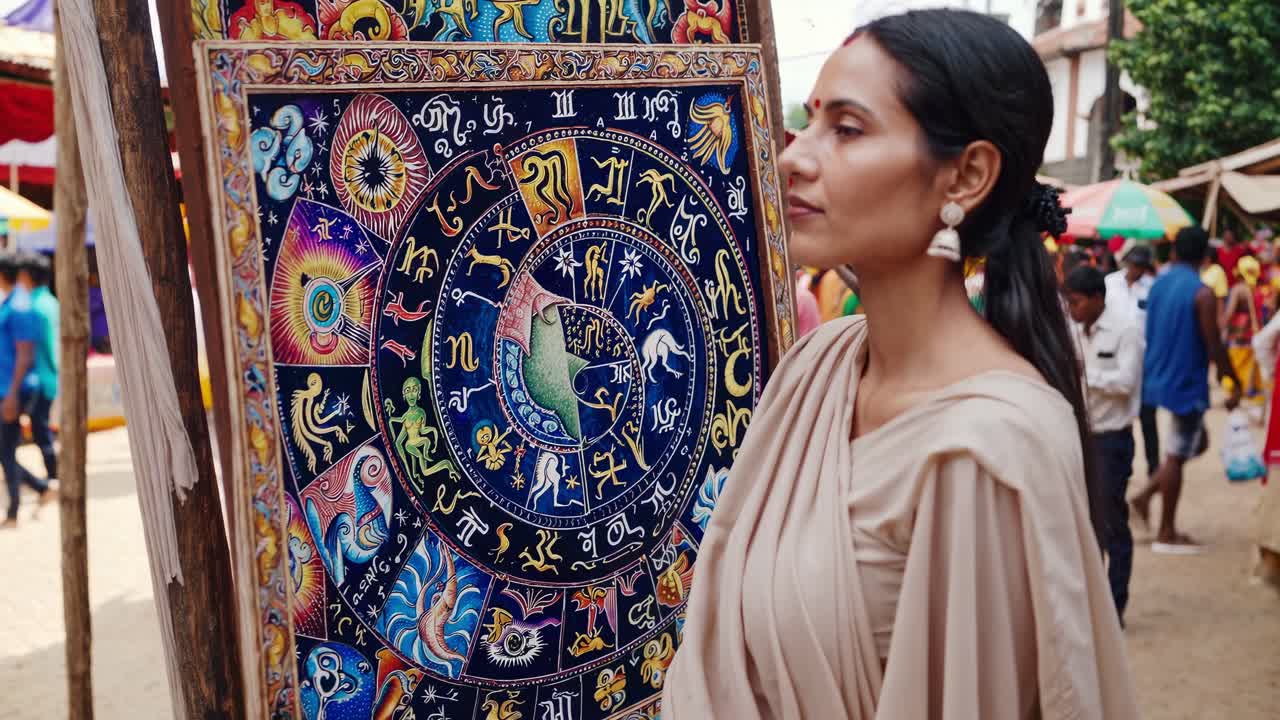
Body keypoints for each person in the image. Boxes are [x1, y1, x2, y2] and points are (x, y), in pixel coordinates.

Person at [661, 10, 1137, 718]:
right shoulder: (813, 370)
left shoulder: (987, 447)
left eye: (847, 130)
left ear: (966, 176)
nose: (794, 155)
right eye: (813, 120)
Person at [1131, 226, 1242, 554]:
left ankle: (1146, 494)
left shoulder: (1159, 284)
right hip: (1185, 381)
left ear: (1175, 252)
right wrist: (1232, 381)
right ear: (1206, 257)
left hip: (1158, 374)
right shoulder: (1202, 293)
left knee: (1196, 443)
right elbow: (1214, 345)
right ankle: (1166, 532)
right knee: (1178, 455)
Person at [1065, 266, 1144, 624]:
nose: (1072, 308)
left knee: (1112, 522)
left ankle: (1115, 607)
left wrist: (1083, 374)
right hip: (1081, 436)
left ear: (1098, 299)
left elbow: (1126, 382)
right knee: (1083, 523)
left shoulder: (1126, 329)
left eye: (1077, 302)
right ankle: (1091, 607)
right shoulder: (1072, 329)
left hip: (1112, 440)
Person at [0, 251, 54, 529]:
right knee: (5, 449)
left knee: (7, 449)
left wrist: (11, 394)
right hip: (12, 386)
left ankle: (13, 511)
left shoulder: (20, 307)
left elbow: (25, 353)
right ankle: (40, 486)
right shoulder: (14, 304)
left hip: (16, 388)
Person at [1107, 243, 1161, 474]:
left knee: (1148, 418)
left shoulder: (1151, 288)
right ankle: (1122, 467)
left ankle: (1153, 468)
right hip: (1115, 358)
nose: (1137, 269)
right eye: (1135, 264)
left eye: (1142, 266)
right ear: (1127, 262)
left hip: (1144, 361)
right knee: (1120, 415)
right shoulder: (1109, 284)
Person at [16, 252, 58, 484]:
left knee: (40, 429)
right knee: (41, 427)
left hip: (38, 379)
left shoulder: (32, 307)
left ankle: (52, 476)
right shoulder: (51, 302)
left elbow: (27, 350)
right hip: (51, 377)